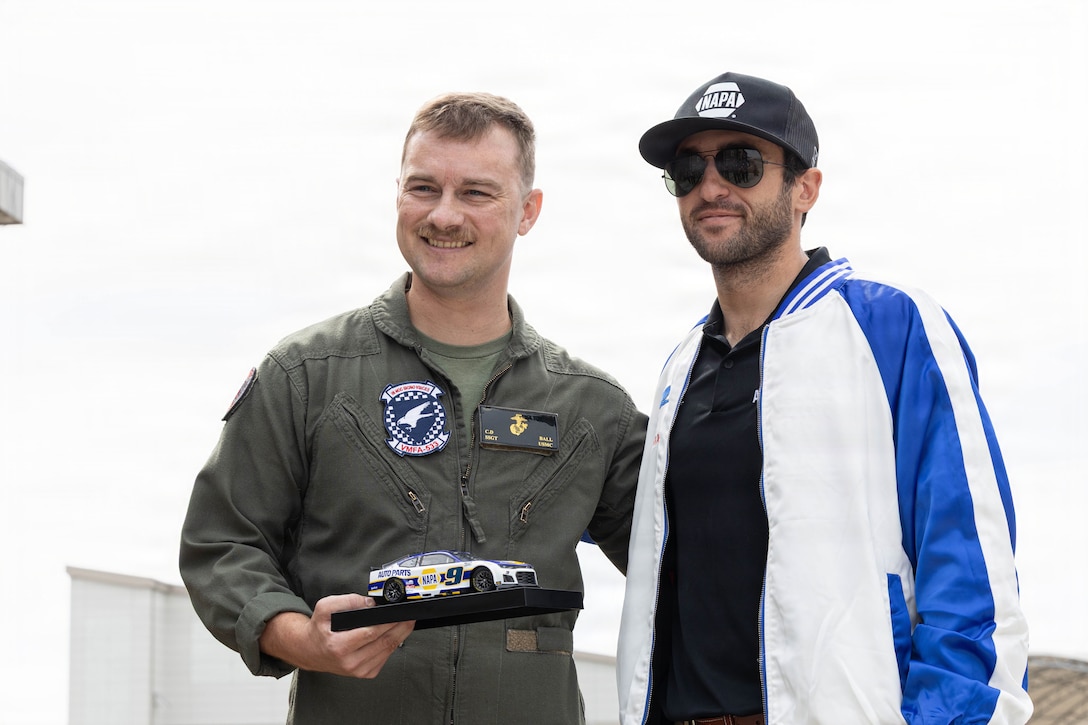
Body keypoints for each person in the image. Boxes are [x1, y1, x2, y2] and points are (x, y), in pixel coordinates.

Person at [180, 91, 647, 724]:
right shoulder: (307, 376)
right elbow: (222, 541)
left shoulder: (594, 410)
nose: (444, 216)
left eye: (477, 193)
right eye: (423, 188)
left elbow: (687, 566)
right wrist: (299, 638)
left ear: (528, 211)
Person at [616, 72, 1032, 725]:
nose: (712, 186)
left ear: (805, 187)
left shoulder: (893, 325)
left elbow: (971, 564)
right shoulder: (680, 367)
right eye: (689, 168)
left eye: (741, 163)